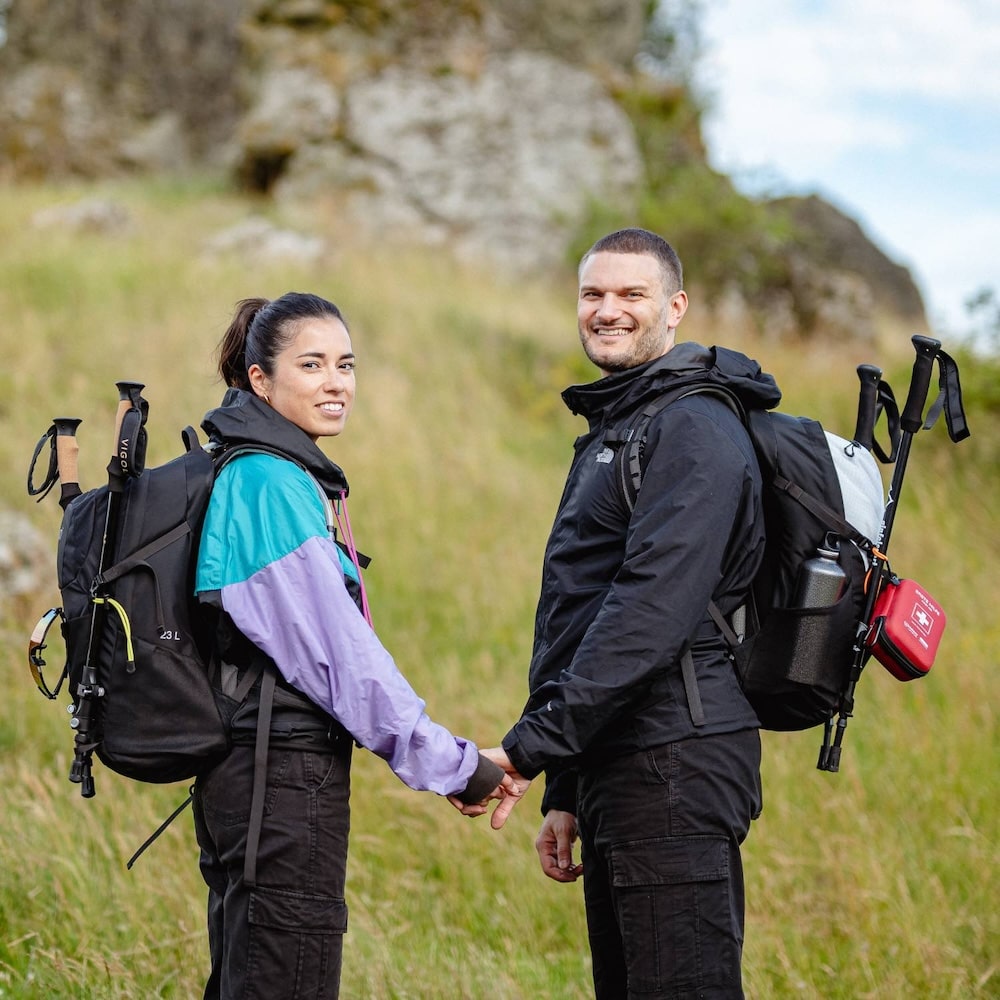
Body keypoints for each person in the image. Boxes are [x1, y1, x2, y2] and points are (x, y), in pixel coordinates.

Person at [191, 292, 523, 1000]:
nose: (337, 382)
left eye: (346, 364)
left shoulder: (278, 474)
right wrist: (456, 766)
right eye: (311, 364)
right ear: (259, 379)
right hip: (275, 780)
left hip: (257, 775)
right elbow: (341, 662)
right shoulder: (269, 481)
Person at [478, 229, 783, 998]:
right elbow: (584, 611)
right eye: (592, 295)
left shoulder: (694, 427)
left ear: (675, 307)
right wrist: (568, 793)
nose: (607, 311)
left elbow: (649, 612)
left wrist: (530, 749)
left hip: (676, 759)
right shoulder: (624, 423)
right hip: (624, 764)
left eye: (630, 295)